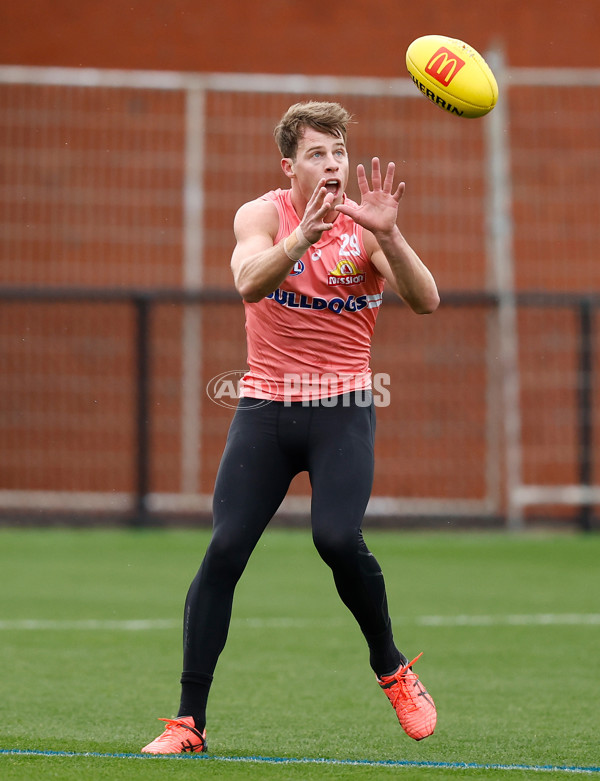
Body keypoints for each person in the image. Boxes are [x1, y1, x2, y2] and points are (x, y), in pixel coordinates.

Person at [141, 101, 440, 755]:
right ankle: (189, 722)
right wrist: (301, 237)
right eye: (317, 153)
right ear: (290, 166)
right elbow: (249, 280)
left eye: (339, 152)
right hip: (266, 410)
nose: (333, 164)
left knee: (336, 536)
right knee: (224, 551)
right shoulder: (261, 214)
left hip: (341, 410)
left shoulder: (367, 230)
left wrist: (390, 237)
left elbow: (426, 299)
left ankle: (391, 666)